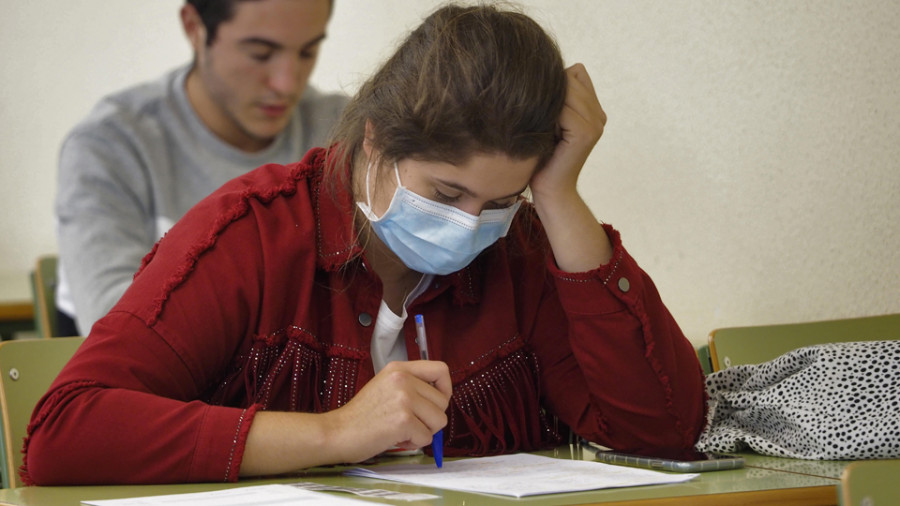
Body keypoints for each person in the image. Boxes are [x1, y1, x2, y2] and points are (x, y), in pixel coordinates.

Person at [24, 3, 707, 485]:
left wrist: (558, 196)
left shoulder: (523, 251)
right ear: (374, 143)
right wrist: (338, 433)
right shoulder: (253, 233)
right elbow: (64, 434)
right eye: (444, 195)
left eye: (500, 202)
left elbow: (664, 430)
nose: (471, 226)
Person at [55, 0, 347, 336]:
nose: (286, 83)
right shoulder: (109, 145)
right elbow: (118, 325)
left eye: (308, 52)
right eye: (260, 54)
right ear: (194, 28)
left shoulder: (345, 134)